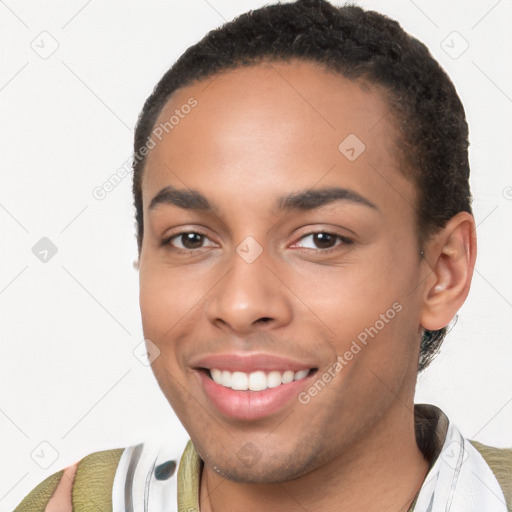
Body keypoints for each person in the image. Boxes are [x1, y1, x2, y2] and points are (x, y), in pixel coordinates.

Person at [13, 0, 511, 510]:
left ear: (444, 272)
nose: (241, 304)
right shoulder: (77, 502)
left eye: (321, 239)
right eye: (191, 239)